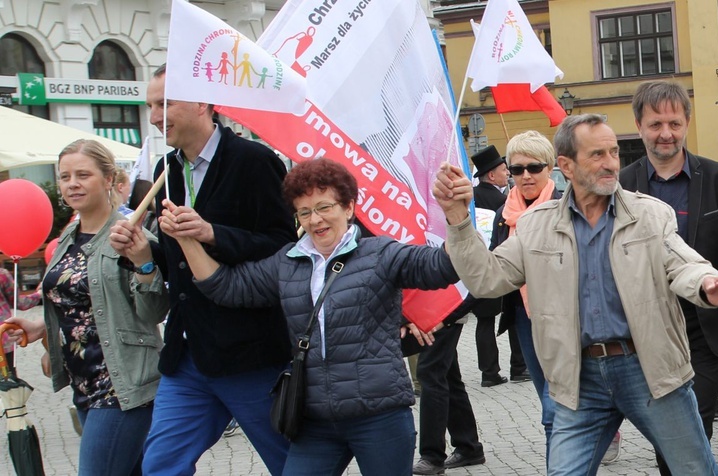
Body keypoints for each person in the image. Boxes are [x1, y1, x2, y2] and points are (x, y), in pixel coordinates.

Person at [434, 113, 718, 475]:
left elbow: (681, 263)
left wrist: (708, 283)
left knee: (694, 470)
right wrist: (459, 222)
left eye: (613, 152)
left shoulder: (650, 215)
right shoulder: (537, 226)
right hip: (577, 379)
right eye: (597, 155)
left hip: (649, 371)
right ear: (566, 165)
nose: (610, 163)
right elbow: (487, 279)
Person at [162, 158, 459, 476]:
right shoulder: (287, 262)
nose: (315, 220)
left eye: (323, 207)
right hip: (316, 421)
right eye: (305, 212)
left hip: (378, 416)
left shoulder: (381, 254)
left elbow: (445, 266)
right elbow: (226, 287)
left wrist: (457, 218)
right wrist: (186, 241)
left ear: (348, 207)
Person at [109, 64, 297, 475]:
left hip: (250, 353)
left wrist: (213, 233)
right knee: (160, 466)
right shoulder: (166, 170)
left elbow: (285, 247)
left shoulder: (253, 161)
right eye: (151, 106)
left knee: (291, 465)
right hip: (188, 354)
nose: (156, 116)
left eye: (166, 103)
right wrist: (143, 251)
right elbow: (180, 263)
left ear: (202, 103)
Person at [7, 139, 169, 476]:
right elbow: (77, 302)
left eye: (83, 174)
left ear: (108, 179)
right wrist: (42, 328)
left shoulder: (131, 236)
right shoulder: (69, 236)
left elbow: (154, 313)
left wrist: (143, 263)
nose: (72, 184)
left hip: (122, 385)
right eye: (64, 177)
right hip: (83, 384)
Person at [620, 81, 718, 475]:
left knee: (698, 421)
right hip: (647, 327)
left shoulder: (717, 179)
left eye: (674, 124)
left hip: (704, 328)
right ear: (639, 125)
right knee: (668, 431)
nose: (666, 133)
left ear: (687, 124)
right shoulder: (623, 184)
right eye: (656, 124)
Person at [487, 130, 561, 463]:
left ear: (550, 169)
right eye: (517, 169)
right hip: (523, 317)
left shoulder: (565, 207)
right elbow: (493, 263)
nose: (526, 175)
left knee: (553, 405)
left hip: (562, 317)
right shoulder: (505, 214)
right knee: (548, 397)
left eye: (534, 167)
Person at [412, 301, 486, 475]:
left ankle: (432, 456)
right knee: (447, 375)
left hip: (444, 307)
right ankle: (468, 446)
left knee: (431, 372)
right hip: (432, 307)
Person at [471, 145, 523, 385]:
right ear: (491, 175)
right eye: (504, 170)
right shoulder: (503, 201)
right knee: (512, 316)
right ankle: (519, 366)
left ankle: (488, 372)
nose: (508, 174)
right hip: (501, 264)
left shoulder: (471, 198)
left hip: (477, 266)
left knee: (484, 321)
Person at [0, 268, 42, 374]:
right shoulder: (2, 274)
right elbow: (19, 302)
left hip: (3, 340)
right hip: (2, 341)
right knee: (8, 385)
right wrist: (39, 294)